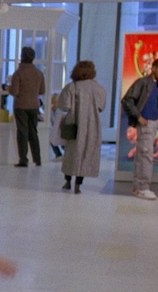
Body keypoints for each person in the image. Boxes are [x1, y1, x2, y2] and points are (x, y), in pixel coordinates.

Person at [121, 58, 158, 201]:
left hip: (154, 123)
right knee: (146, 155)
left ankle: (138, 187)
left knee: (142, 154)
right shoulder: (142, 82)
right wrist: (139, 116)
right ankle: (143, 187)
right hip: (145, 123)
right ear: (153, 68)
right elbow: (127, 100)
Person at [58, 61, 107, 194]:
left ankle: (67, 181)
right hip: (92, 125)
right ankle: (78, 184)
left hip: (74, 124)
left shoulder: (72, 87)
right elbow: (101, 107)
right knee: (86, 153)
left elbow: (64, 106)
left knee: (71, 153)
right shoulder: (98, 88)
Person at [9, 47, 45, 167]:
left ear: (22, 56)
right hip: (34, 105)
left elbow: (14, 91)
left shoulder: (18, 73)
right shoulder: (39, 73)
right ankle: (37, 158)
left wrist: (8, 88)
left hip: (21, 105)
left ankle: (23, 159)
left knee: (22, 132)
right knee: (33, 132)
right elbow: (42, 90)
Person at [48, 93, 66, 161]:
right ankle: (58, 154)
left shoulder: (61, 110)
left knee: (62, 142)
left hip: (61, 129)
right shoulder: (50, 111)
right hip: (54, 129)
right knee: (52, 140)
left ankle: (65, 154)